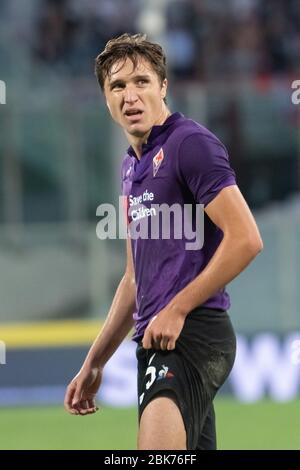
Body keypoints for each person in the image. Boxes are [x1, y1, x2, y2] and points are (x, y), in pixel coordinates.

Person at [64, 33, 263, 450]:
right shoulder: (130, 167)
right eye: (117, 86)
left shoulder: (189, 143)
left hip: (192, 334)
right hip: (155, 341)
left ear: (164, 87)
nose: (130, 95)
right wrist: (95, 363)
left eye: (142, 82)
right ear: (106, 99)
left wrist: (177, 309)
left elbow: (246, 239)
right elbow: (134, 281)